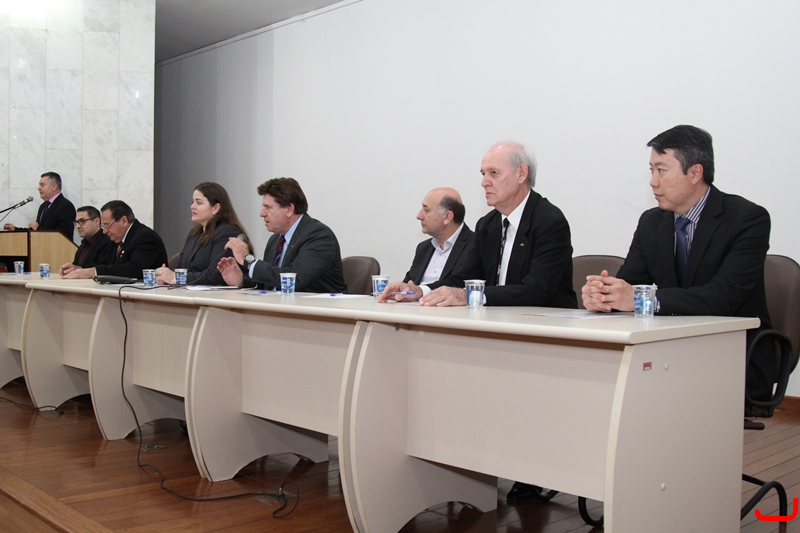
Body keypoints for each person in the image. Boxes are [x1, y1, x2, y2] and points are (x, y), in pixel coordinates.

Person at [581, 124, 775, 408]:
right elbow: (630, 285)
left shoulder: (747, 219)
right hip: (668, 354)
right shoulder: (652, 222)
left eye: (662, 170)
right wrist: (605, 295)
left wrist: (640, 298)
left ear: (695, 173)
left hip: (733, 357)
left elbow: (723, 297)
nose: (653, 182)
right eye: (651, 170)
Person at [380, 141, 576, 309]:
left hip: (545, 326)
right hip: (496, 322)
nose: (484, 182)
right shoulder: (488, 224)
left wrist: (469, 295)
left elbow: (537, 290)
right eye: (483, 173)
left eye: (494, 173)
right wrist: (421, 290)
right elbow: (465, 277)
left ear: (521, 173)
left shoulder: (549, 221)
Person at [218, 177, 347, 293]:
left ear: (289, 209)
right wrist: (241, 281)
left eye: (268, 207)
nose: (262, 213)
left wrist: (248, 259)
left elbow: (294, 280)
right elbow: (271, 283)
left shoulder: (318, 236)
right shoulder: (275, 240)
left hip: (317, 310)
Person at [154, 182, 253, 285]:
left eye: (199, 203)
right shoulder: (194, 233)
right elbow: (180, 267)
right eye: (193, 202)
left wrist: (175, 277)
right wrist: (166, 277)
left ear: (216, 208)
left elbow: (216, 274)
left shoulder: (227, 233)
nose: (192, 206)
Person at [61, 200, 168, 279]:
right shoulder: (115, 240)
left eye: (107, 225)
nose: (104, 231)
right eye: (103, 225)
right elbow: (105, 264)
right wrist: (80, 269)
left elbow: (135, 269)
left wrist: (93, 272)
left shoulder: (145, 236)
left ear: (124, 221)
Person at [402, 188, 474, 285]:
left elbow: (459, 285)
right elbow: (408, 286)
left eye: (426, 210)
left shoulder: (475, 247)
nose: (419, 216)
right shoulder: (423, 248)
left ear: (447, 217)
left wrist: (422, 290)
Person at [3, 171, 76, 240]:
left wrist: (39, 228)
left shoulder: (66, 206)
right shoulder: (43, 206)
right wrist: (15, 229)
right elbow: (34, 232)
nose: (39, 188)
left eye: (42, 185)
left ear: (54, 186)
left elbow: (65, 234)